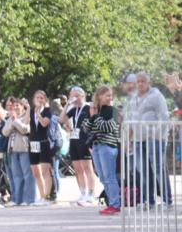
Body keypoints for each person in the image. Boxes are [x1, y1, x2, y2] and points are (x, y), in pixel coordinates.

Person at [126, 72, 173, 207]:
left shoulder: (157, 96)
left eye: (143, 81)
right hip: (138, 139)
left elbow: (164, 117)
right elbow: (130, 119)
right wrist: (129, 139)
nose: (140, 84)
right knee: (144, 170)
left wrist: (159, 136)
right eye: (138, 81)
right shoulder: (133, 98)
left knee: (159, 169)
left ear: (148, 83)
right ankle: (149, 201)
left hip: (155, 139)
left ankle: (167, 200)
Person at [84, 85, 121, 215]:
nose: (110, 98)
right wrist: (92, 116)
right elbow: (86, 128)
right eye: (107, 95)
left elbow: (107, 127)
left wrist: (95, 118)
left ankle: (115, 204)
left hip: (108, 146)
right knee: (102, 177)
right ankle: (111, 203)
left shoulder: (113, 111)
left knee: (110, 176)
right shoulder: (95, 110)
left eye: (111, 95)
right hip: (96, 147)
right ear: (99, 96)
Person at [60, 86, 96, 205]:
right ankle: (83, 193)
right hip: (74, 140)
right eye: (71, 96)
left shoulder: (88, 107)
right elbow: (61, 119)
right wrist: (66, 105)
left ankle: (91, 194)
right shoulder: (73, 109)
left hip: (85, 140)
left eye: (75, 96)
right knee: (78, 168)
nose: (73, 98)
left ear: (82, 95)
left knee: (87, 167)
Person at [3, 99, 35, 206]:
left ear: (22, 107)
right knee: (16, 176)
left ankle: (29, 199)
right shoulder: (10, 118)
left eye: (17, 105)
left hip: (23, 149)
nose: (15, 108)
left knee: (27, 174)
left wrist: (16, 122)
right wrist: (12, 123)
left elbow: (25, 130)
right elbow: (5, 132)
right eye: (14, 106)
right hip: (12, 150)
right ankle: (18, 199)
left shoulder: (26, 116)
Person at [28, 91, 54, 205]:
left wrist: (38, 113)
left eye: (41, 98)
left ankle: (47, 197)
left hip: (44, 142)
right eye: (37, 97)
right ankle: (42, 196)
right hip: (33, 143)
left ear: (45, 99)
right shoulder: (31, 111)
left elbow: (44, 124)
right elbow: (25, 123)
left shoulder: (48, 111)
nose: (39, 99)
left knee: (45, 171)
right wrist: (28, 109)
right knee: (35, 172)